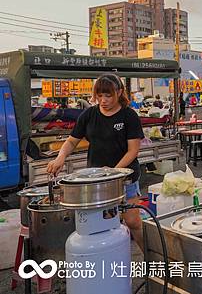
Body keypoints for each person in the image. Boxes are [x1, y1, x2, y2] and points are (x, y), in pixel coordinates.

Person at [46, 73, 145, 247]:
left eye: (108, 95)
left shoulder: (129, 116)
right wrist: (60, 157)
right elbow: (71, 141)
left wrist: (113, 172)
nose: (103, 100)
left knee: (132, 221)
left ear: (119, 92)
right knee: (101, 225)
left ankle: (150, 259)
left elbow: (133, 151)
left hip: (125, 177)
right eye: (99, 96)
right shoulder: (89, 115)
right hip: (97, 181)